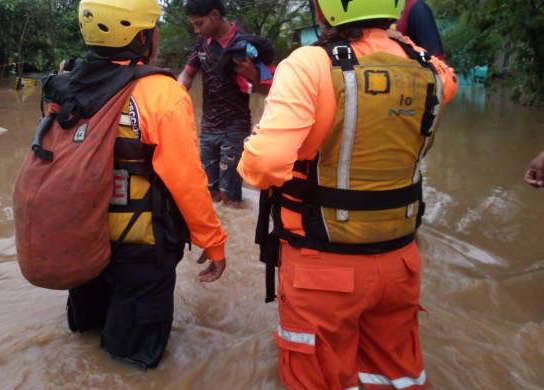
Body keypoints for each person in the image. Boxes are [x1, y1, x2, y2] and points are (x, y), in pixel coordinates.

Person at [238, 0, 458, 388]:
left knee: (318, 377)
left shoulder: (309, 64)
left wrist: (254, 145)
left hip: (322, 266)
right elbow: (439, 85)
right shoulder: (430, 67)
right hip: (400, 262)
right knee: (394, 378)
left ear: (324, 10)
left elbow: (262, 167)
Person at [63, 0, 228, 370]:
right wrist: (213, 241)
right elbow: (186, 181)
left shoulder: (66, 84)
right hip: (140, 248)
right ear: (143, 37)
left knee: (83, 341)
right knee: (133, 363)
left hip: (80, 240)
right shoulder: (162, 93)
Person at [178, 0, 273, 206]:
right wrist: (168, 101)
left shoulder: (245, 45)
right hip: (207, 129)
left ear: (214, 15)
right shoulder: (202, 43)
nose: (196, 30)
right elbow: (186, 76)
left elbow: (270, 90)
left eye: (199, 23)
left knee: (230, 198)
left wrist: (253, 75)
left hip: (235, 129)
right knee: (208, 193)